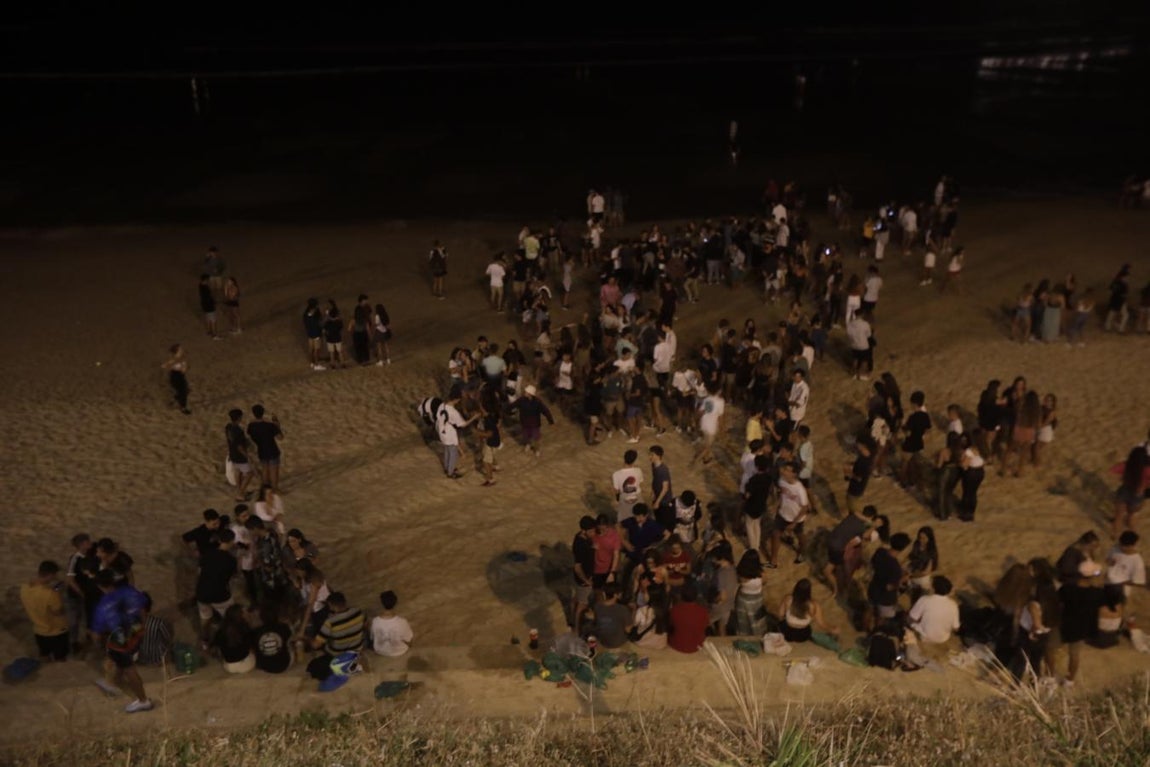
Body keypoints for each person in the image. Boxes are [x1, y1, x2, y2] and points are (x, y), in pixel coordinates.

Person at [90, 570, 153, 713]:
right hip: (137, 631)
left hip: (121, 640)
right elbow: (143, 608)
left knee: (129, 668)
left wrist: (98, 646)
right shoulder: (130, 590)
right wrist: (142, 627)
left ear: (101, 586)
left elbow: (96, 634)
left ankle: (143, 701)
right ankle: (111, 683)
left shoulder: (103, 606)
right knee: (121, 661)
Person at [1059, 568, 1105, 684]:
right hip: (1080, 629)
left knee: (1051, 650)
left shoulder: (1067, 589)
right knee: (1074, 654)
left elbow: (1058, 603)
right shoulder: (1097, 592)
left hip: (1064, 625)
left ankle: (1049, 676)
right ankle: (1070, 680)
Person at [823, 503, 877, 597]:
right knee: (829, 570)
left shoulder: (852, 516)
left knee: (837, 564)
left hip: (831, 540)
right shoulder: (861, 528)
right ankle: (836, 589)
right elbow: (859, 539)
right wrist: (873, 525)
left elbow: (856, 512)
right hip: (837, 547)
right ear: (871, 517)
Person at [20, 560, 70, 662]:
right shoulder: (51, 594)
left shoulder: (24, 587)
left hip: (39, 630)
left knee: (44, 654)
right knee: (60, 657)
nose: (55, 577)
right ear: (51, 575)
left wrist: (54, 589)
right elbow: (58, 612)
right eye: (55, 575)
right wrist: (58, 594)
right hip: (56, 631)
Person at [195, 530, 238, 646]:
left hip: (202, 593)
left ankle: (205, 641)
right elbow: (230, 580)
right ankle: (229, 640)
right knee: (230, 618)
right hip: (220, 595)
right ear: (231, 541)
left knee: (205, 618)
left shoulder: (207, 554)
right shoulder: (231, 560)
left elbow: (199, 572)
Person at [866, 531, 910, 632]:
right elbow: (889, 587)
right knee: (882, 618)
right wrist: (902, 579)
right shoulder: (895, 567)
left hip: (874, 587)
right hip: (885, 598)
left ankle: (866, 628)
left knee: (869, 609)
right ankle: (875, 633)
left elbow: (873, 564)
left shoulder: (880, 552)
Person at [770, 461, 810, 566]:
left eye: (787, 470)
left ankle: (802, 553)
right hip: (782, 514)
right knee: (775, 534)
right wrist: (776, 505)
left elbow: (805, 507)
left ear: (794, 474)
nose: (784, 472)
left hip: (796, 518)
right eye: (785, 469)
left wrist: (794, 523)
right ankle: (773, 559)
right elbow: (782, 495)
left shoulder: (800, 489)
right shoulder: (781, 481)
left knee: (800, 537)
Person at [778, 578, 837, 643]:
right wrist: (832, 629)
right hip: (803, 636)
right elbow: (821, 623)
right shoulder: (814, 605)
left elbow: (780, 615)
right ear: (809, 591)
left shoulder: (788, 599)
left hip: (786, 633)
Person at [437, 387, 477, 479]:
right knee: (453, 453)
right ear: (456, 399)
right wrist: (474, 417)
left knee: (447, 450)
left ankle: (447, 468)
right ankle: (450, 473)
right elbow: (463, 425)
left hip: (442, 431)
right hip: (449, 433)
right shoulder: (453, 412)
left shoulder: (442, 405)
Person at [908, 575, 961, 645]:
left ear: (933, 589)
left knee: (908, 617)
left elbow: (912, 618)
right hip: (943, 638)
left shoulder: (925, 599)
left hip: (925, 637)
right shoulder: (953, 605)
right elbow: (956, 628)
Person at [313, 592, 367, 657]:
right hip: (357, 649)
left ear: (331, 605)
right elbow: (365, 625)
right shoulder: (358, 612)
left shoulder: (330, 622)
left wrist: (305, 638)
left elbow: (316, 645)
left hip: (338, 654)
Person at [1113, 446, 1149, 536]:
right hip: (1138, 494)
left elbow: (1113, 470)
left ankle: (1115, 534)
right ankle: (1133, 534)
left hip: (1125, 490)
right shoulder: (1148, 470)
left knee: (1119, 516)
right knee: (1132, 516)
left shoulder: (1127, 465)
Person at [509, 384, 554, 456]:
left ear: (530, 394)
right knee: (526, 436)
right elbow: (513, 405)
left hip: (534, 423)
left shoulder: (537, 402)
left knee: (536, 438)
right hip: (525, 422)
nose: (524, 393)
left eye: (526, 392)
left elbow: (545, 410)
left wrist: (550, 420)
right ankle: (528, 445)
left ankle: (537, 450)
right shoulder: (521, 400)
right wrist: (506, 410)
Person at [247, 404, 284, 491]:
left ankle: (265, 488)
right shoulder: (269, 426)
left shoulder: (251, 426)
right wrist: (277, 426)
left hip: (261, 450)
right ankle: (275, 489)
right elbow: (280, 437)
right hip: (272, 449)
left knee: (265, 470)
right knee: (273, 471)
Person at [571, 516, 597, 634]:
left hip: (582, 578)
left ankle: (572, 620)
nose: (593, 533)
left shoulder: (581, 537)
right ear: (583, 531)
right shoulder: (580, 545)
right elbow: (577, 567)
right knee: (582, 605)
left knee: (577, 599)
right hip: (583, 578)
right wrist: (586, 580)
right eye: (591, 531)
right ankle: (576, 628)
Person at [668, 581, 710, 653]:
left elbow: (670, 626)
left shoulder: (674, 610)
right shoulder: (703, 611)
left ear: (681, 596)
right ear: (696, 596)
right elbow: (705, 627)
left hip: (677, 645)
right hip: (697, 645)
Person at [213, 604, 255, 674]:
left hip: (229, 667)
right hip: (246, 666)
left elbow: (217, 646)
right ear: (240, 616)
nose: (247, 613)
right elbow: (252, 645)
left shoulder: (221, 631)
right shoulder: (245, 629)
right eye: (244, 612)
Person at [251, 604, 294, 673]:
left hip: (263, 665)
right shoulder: (283, 627)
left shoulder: (256, 631)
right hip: (284, 664)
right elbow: (290, 637)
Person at [370, 590, 414, 657]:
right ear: (395, 603)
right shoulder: (402, 621)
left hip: (380, 651)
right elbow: (409, 640)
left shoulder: (375, 621)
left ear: (382, 603)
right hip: (400, 651)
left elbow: (372, 638)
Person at [734, 550, 767, 636]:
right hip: (757, 600)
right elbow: (764, 582)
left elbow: (738, 581)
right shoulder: (762, 574)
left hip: (743, 600)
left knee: (743, 621)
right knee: (757, 620)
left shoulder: (741, 573)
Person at [225, 409, 255, 501]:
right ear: (239, 417)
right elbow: (240, 446)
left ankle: (240, 491)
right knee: (250, 473)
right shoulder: (238, 430)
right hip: (239, 456)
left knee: (239, 473)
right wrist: (247, 456)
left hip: (232, 454)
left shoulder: (228, 427)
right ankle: (240, 494)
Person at [136, 593, 173, 666]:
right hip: (148, 660)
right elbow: (167, 638)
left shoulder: (158, 623)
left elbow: (168, 639)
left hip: (154, 661)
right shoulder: (158, 623)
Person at [592, 583, 632, 649]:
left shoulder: (597, 606)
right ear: (616, 595)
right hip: (618, 643)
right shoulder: (622, 609)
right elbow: (628, 630)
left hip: (603, 641)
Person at [612, 449, 644, 523]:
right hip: (637, 497)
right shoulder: (638, 470)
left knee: (624, 521)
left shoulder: (616, 474)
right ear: (634, 460)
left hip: (624, 498)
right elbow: (640, 483)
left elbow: (616, 490)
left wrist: (618, 499)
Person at [161, 343, 191, 415]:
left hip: (180, 376)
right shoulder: (174, 359)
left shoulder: (181, 358)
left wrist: (183, 366)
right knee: (183, 391)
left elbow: (184, 370)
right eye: (180, 349)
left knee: (184, 390)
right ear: (177, 351)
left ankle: (176, 398)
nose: (182, 350)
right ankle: (183, 407)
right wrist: (174, 366)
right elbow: (164, 366)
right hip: (176, 376)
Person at [303, 298, 326, 370]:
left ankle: (311, 363)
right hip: (316, 334)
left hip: (310, 334)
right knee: (316, 350)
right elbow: (320, 324)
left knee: (311, 349)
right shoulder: (316, 314)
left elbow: (306, 324)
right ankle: (316, 364)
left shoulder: (306, 314)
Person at [323, 300, 346, 369]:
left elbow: (324, 329)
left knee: (331, 352)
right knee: (340, 352)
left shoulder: (328, 323)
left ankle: (332, 364)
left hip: (330, 339)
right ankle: (342, 363)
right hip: (337, 338)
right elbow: (341, 328)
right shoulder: (338, 322)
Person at [199, 274, 220, 340]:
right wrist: (214, 302)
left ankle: (209, 332)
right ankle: (214, 335)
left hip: (204, 305)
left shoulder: (200, 285)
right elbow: (209, 297)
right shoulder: (206, 288)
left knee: (208, 319)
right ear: (206, 280)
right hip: (209, 306)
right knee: (213, 320)